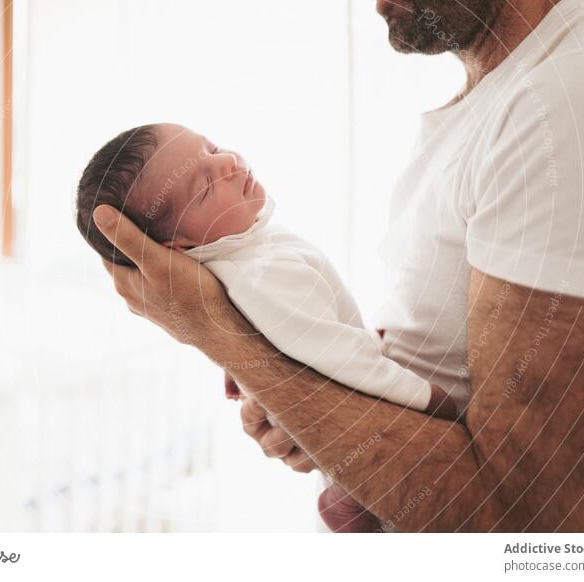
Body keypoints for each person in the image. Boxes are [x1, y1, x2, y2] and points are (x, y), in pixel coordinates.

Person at [93, 0, 584, 531]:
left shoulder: (578, 103)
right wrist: (323, 420)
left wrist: (226, 339)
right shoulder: (503, 102)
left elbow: (528, 526)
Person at [76, 122, 456, 532]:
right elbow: (345, 364)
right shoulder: (261, 275)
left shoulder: (247, 254)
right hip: (373, 423)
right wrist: (428, 398)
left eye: (212, 147)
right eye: (204, 188)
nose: (225, 162)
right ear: (176, 247)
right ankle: (351, 501)